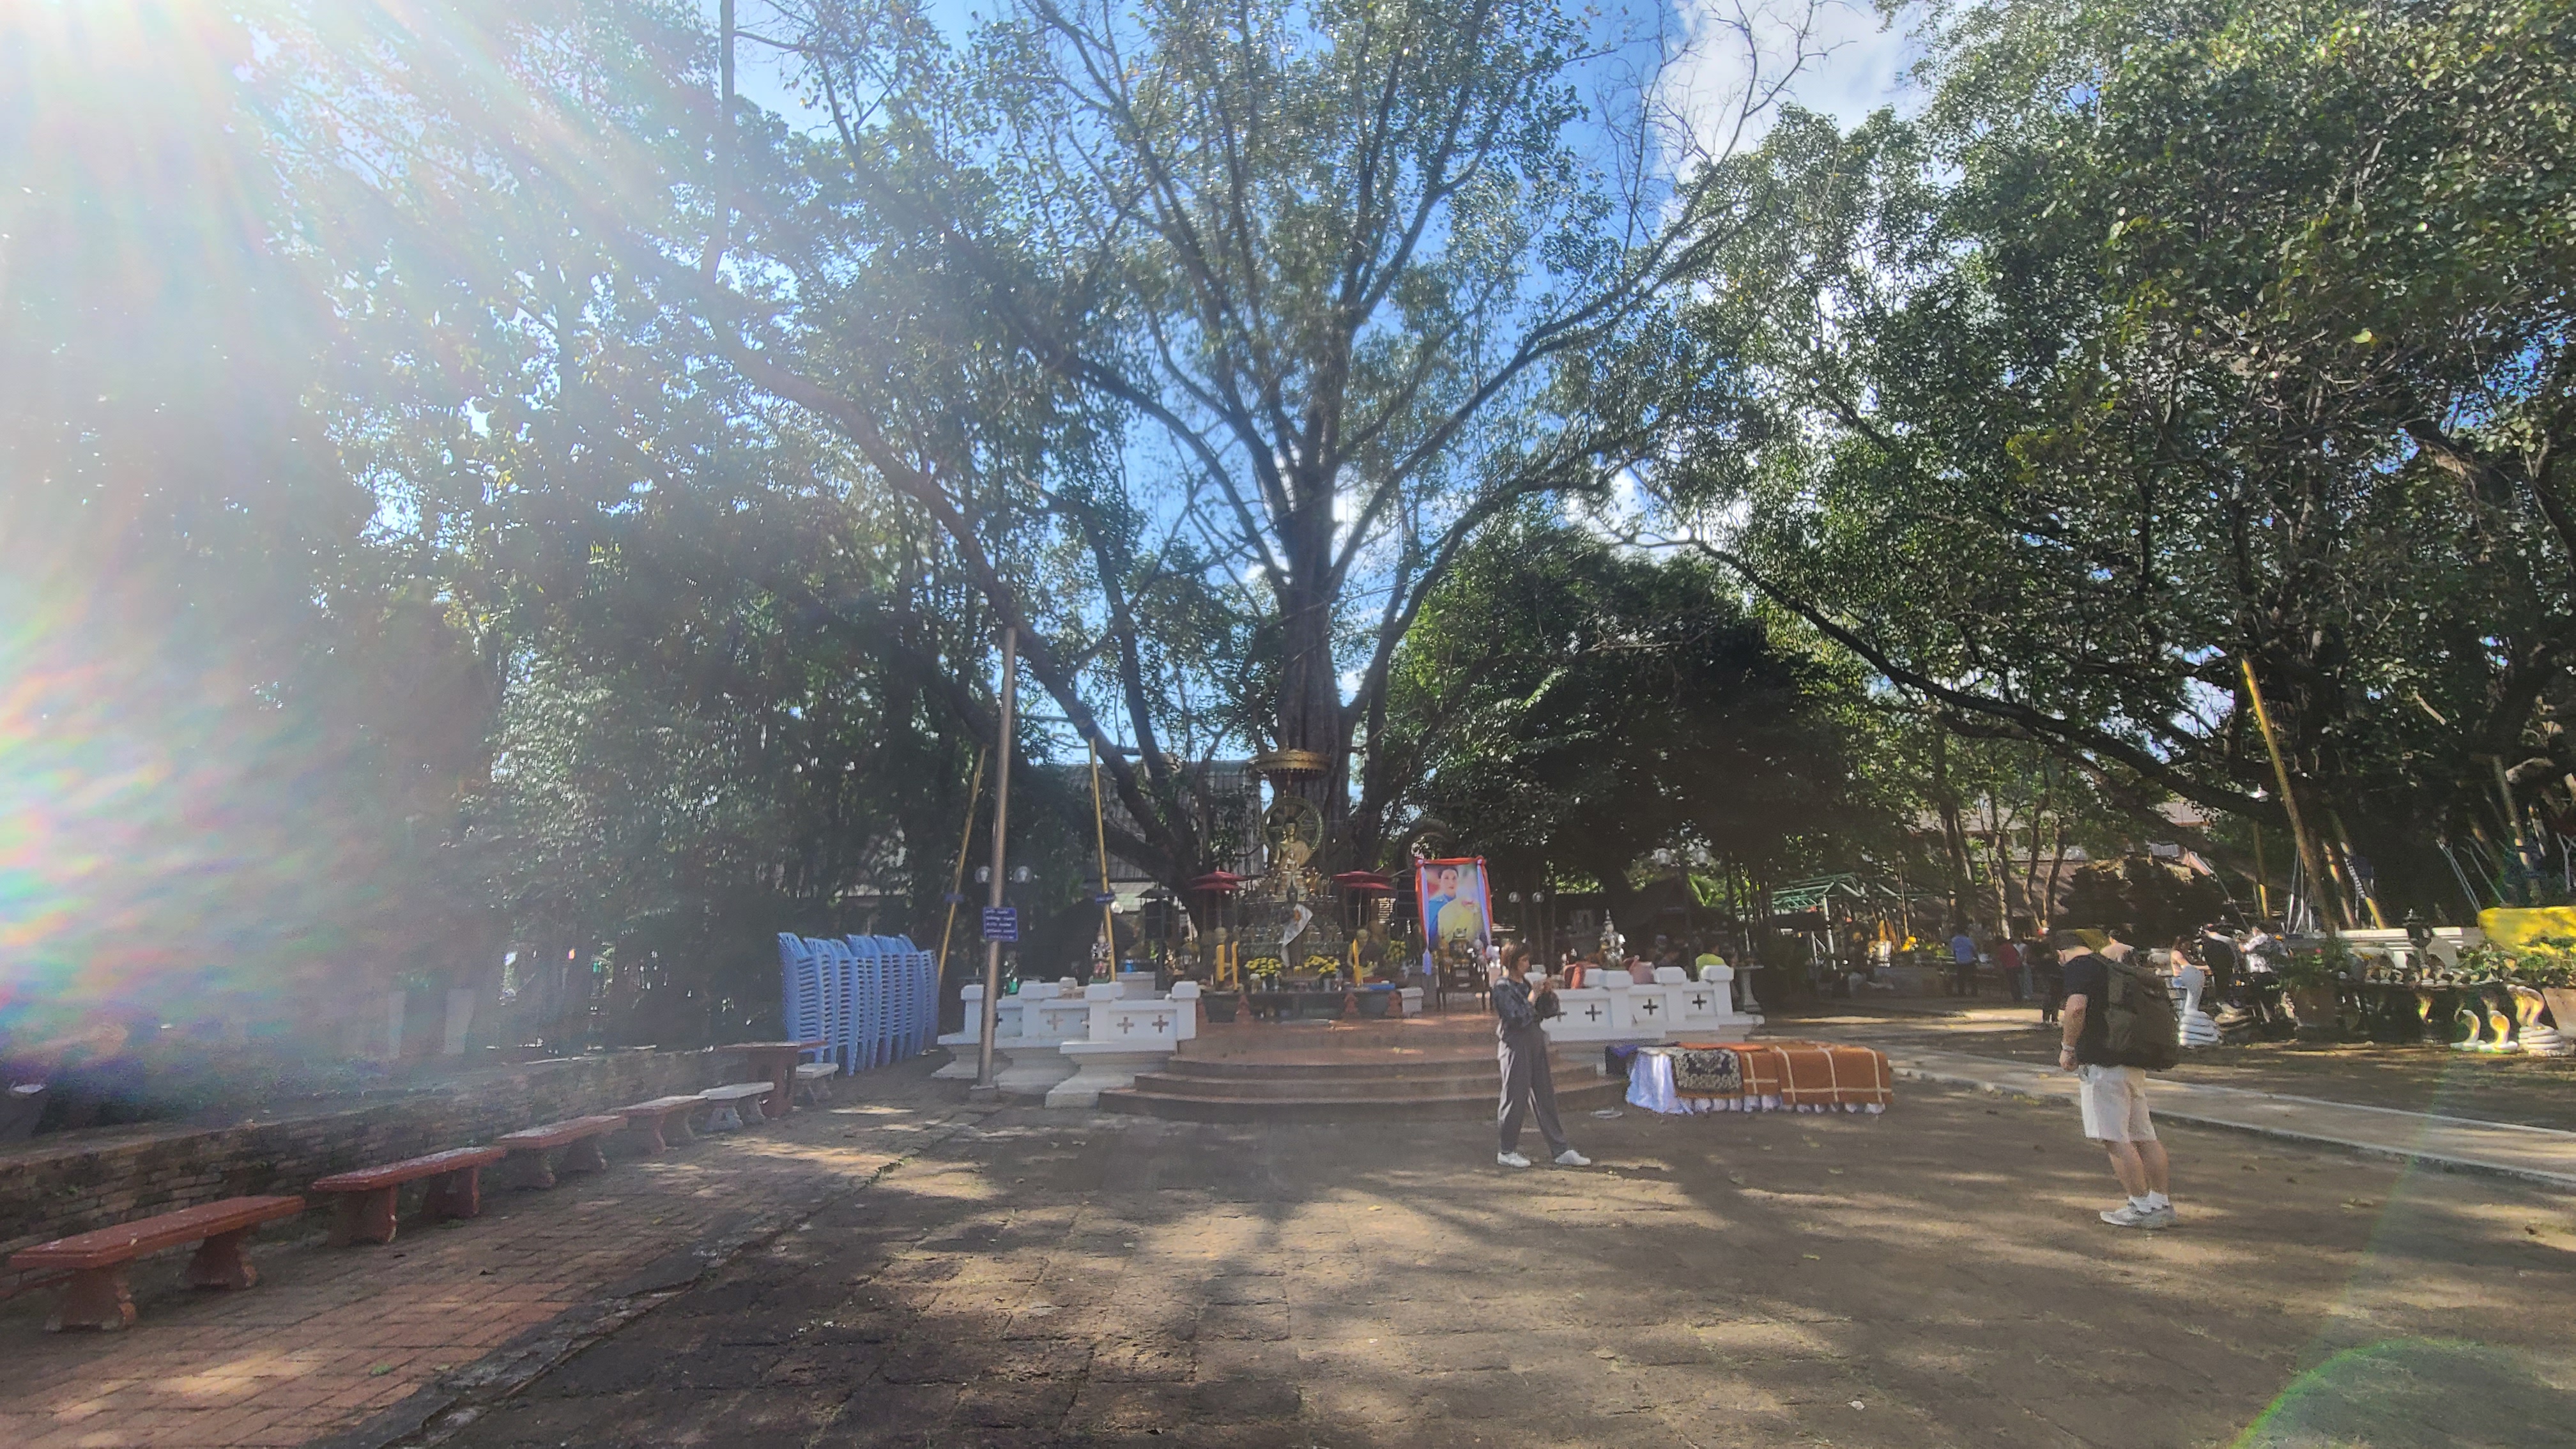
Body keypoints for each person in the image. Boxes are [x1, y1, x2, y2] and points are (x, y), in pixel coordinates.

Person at [2053, 929, 2176, 1229]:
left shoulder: (2079, 967)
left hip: (2103, 1063)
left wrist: (2068, 1048)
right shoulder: (2111, 967)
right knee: (2144, 1136)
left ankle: (2140, 1206)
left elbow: (2076, 1008)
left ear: (2061, 954)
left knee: (2115, 1138)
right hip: (2132, 1059)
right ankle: (2161, 1203)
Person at [1492, 942, 1589, 1169]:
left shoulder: (1525, 984)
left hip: (1535, 1040)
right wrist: (1533, 996)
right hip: (1515, 1044)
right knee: (1515, 1097)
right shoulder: (1502, 987)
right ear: (1512, 962)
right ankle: (1507, 1150)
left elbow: (1545, 1012)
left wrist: (1547, 994)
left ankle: (1560, 1149)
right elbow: (1517, 1018)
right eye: (1523, 960)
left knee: (1545, 1095)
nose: (1527, 964)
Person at [1949, 927, 1979, 997]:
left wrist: (1956, 958)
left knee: (1961, 978)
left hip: (1960, 960)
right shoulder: (1967, 939)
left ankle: (1961, 992)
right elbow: (1973, 949)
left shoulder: (1954, 940)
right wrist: (1977, 958)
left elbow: (1953, 951)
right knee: (1972, 977)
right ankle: (1974, 992)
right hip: (1969, 960)